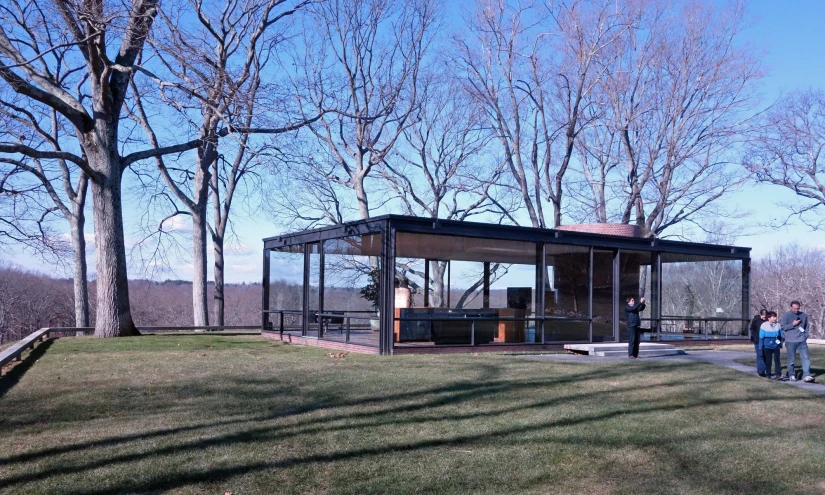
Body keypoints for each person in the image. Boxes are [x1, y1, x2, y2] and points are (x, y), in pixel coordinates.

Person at [780, 300, 815, 382]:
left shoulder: (803, 315)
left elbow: (806, 327)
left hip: (801, 340)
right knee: (791, 359)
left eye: (798, 308)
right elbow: (782, 327)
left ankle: (806, 375)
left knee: (805, 358)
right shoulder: (786, 315)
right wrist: (793, 324)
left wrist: (805, 336)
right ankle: (791, 374)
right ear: (791, 307)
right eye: (794, 308)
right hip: (790, 341)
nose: (796, 310)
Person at [758, 311, 784, 380]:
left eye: (775, 317)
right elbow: (761, 337)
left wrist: (780, 343)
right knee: (768, 361)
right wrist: (760, 346)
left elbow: (781, 335)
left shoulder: (778, 325)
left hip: (776, 346)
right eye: (773, 317)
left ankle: (778, 375)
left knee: (777, 360)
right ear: (769, 318)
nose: (775, 318)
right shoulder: (764, 325)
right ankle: (768, 375)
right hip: (767, 346)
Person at [749, 309, 768, 376]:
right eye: (763, 315)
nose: (764, 317)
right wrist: (754, 336)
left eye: (765, 316)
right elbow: (752, 329)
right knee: (760, 355)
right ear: (760, 315)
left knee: (765, 355)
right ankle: (761, 370)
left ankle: (763, 369)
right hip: (757, 340)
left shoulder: (768, 321)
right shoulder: (756, 320)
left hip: (766, 340)